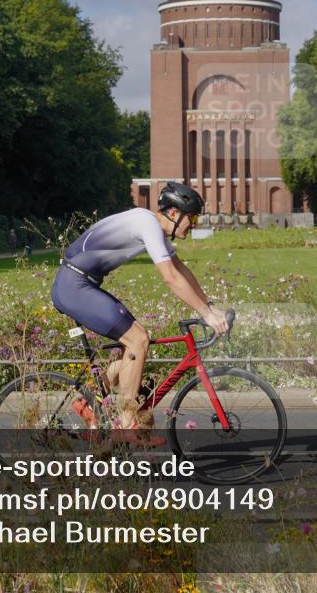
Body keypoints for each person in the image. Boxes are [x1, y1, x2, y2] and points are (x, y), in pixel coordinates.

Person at [50, 182, 229, 444]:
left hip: (80, 283)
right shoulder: (148, 224)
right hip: (74, 285)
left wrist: (209, 307)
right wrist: (205, 313)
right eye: (192, 217)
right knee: (138, 340)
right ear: (173, 214)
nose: (194, 224)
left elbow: (181, 271)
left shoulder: (153, 227)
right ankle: (126, 425)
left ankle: (86, 400)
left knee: (133, 348)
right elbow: (169, 278)